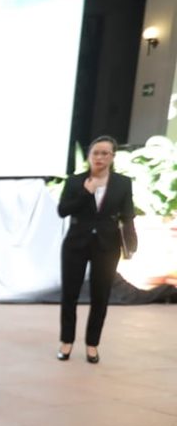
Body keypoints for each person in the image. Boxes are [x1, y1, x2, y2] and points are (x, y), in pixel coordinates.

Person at [57, 135, 138, 364]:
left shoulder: (123, 183)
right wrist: (86, 192)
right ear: (90, 155)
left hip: (107, 245)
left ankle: (92, 344)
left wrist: (131, 243)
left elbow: (128, 215)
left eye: (105, 153)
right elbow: (62, 210)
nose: (100, 157)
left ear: (112, 157)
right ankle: (66, 341)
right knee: (69, 295)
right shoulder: (75, 181)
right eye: (95, 153)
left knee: (100, 296)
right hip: (76, 244)